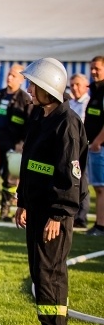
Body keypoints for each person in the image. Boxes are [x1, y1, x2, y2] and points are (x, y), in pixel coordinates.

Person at [14, 58, 86, 325]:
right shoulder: (42, 117)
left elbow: (71, 178)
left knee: (48, 273)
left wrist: (58, 214)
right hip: (38, 209)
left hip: (54, 214)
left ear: (48, 90)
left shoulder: (67, 124)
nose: (29, 90)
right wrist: (22, 202)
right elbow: (31, 166)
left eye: (34, 85)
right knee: (44, 271)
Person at [0, 64, 32, 221]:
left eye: (14, 76)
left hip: (14, 147)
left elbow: (29, 126)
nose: (10, 77)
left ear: (22, 80)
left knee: (10, 180)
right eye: (9, 74)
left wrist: (22, 146)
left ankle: (5, 212)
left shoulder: (25, 100)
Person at [83, 56, 104, 236]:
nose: (93, 72)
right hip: (95, 145)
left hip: (100, 146)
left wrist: (97, 141)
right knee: (98, 187)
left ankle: (101, 225)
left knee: (100, 187)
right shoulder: (96, 90)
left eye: (97, 68)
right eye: (92, 68)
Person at [69, 73, 91, 229]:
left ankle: (81, 217)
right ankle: (72, 213)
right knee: (73, 179)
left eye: (77, 85)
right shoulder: (69, 103)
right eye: (72, 85)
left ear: (85, 86)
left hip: (84, 146)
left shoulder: (88, 104)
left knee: (83, 180)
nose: (75, 88)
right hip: (71, 147)